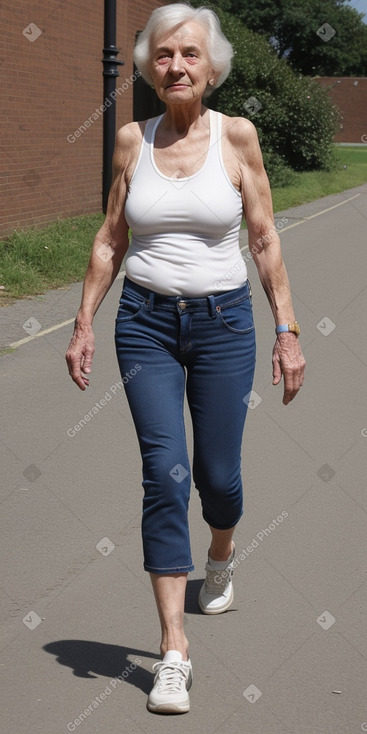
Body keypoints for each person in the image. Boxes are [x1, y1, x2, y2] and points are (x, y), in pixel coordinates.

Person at [65, 2, 306, 715]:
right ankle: (174, 650)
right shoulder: (129, 140)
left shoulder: (237, 137)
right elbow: (111, 239)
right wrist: (82, 323)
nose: (176, 66)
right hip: (143, 325)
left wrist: (286, 330)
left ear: (211, 66)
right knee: (164, 473)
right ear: (148, 65)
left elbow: (263, 240)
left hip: (224, 324)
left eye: (190, 54)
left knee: (217, 478)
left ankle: (222, 552)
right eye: (164, 54)